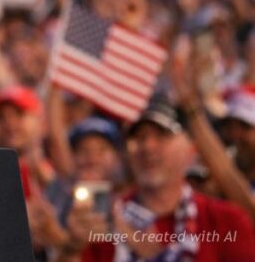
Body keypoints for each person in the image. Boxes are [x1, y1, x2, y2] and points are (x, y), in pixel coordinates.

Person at [59, 96, 255, 262]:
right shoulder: (102, 223)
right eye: (139, 138)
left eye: (162, 135)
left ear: (189, 147)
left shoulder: (225, 221)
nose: (148, 147)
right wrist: (71, 248)